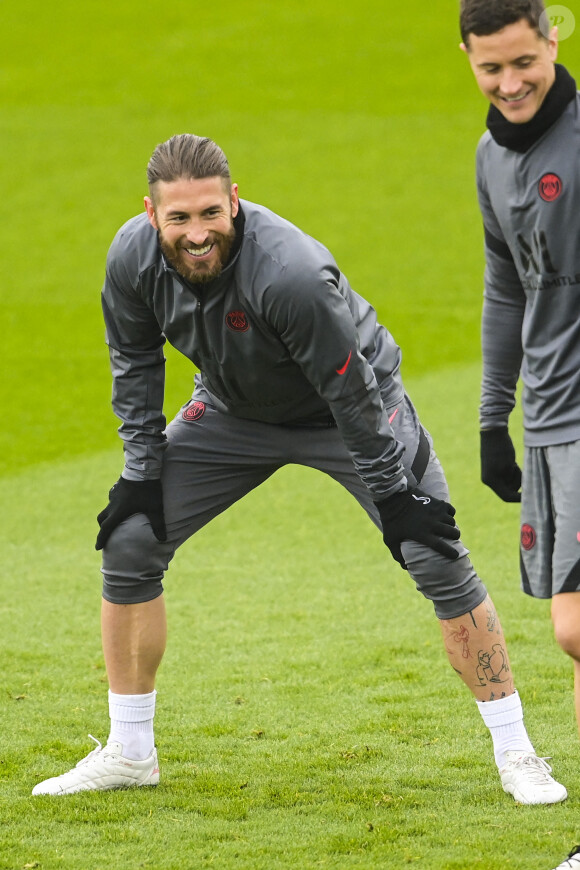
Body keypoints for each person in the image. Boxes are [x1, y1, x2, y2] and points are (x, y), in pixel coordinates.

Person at [32, 134, 566, 805]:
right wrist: (141, 474)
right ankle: (131, 752)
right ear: (151, 215)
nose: (197, 234)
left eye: (210, 214)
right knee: (132, 539)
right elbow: (134, 363)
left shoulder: (290, 274)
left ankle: (517, 752)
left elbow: (352, 394)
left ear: (234, 202)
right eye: (179, 218)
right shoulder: (131, 260)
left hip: (345, 413)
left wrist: (395, 499)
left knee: (431, 551)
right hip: (231, 412)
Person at [459, 0, 580, 863]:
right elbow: (509, 289)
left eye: (523, 62)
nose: (510, 83)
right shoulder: (489, 161)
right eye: (490, 68)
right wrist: (491, 415)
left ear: (555, 38)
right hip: (552, 418)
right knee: (575, 636)